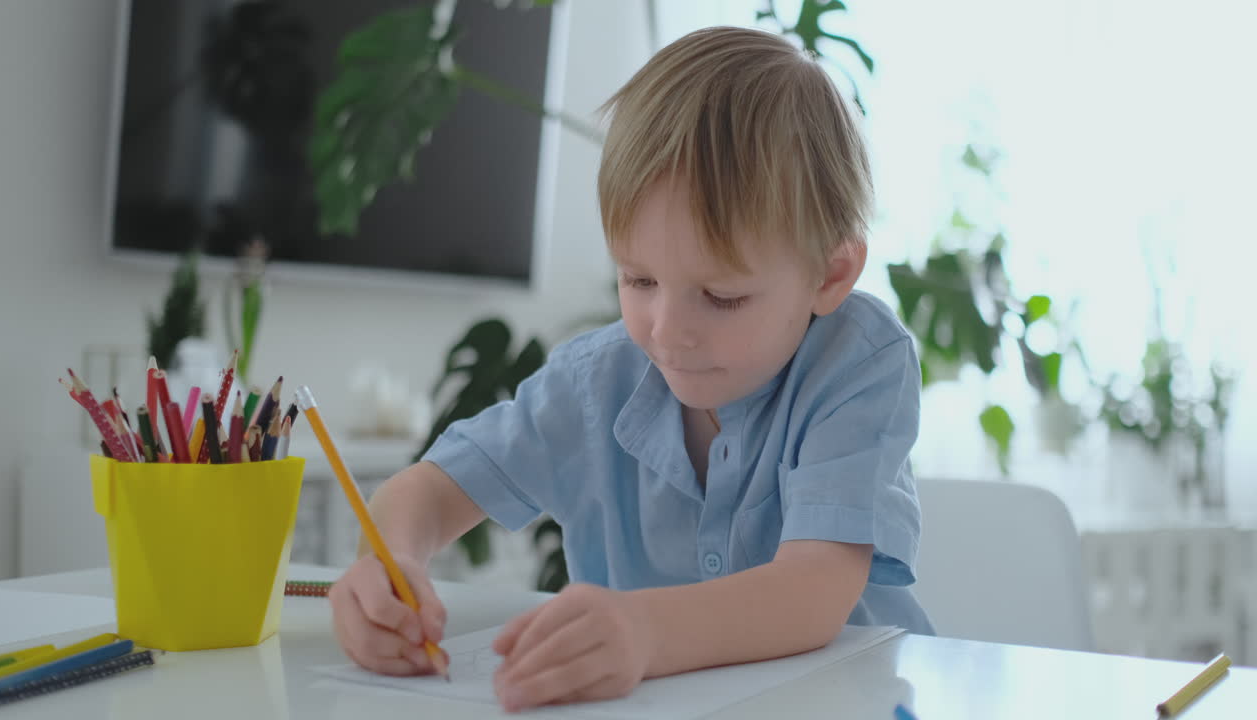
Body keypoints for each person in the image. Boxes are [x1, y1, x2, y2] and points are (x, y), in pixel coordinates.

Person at [330, 25, 931, 713]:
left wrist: (647, 631)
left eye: (722, 295)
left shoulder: (857, 364)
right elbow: (430, 490)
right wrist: (391, 564)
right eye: (638, 280)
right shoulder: (595, 380)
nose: (667, 331)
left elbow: (815, 588)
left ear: (830, 273)